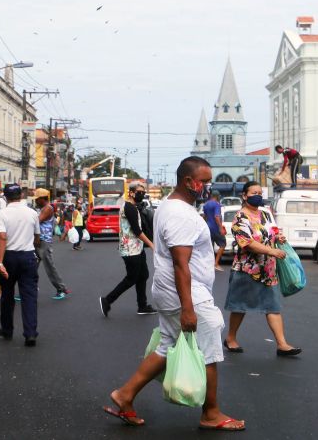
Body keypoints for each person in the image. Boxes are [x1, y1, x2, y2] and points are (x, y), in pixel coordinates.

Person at [103, 156, 245, 431]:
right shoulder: (180, 214)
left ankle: (125, 395)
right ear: (188, 181)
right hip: (185, 292)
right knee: (210, 349)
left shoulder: (171, 206)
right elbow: (182, 264)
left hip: (169, 290)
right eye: (203, 181)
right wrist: (189, 308)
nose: (207, 186)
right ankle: (211, 413)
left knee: (168, 344)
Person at [223, 181, 300, 356]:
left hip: (268, 270)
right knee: (239, 306)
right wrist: (271, 250)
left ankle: (282, 344)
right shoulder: (240, 217)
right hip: (247, 269)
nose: (257, 195)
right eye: (253, 192)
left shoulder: (265, 214)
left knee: (273, 306)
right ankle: (231, 338)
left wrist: (279, 238)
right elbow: (246, 243)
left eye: (260, 192)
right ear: (244, 195)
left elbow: (272, 232)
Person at [100, 182, 156, 317]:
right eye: (139, 192)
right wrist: (152, 245)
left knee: (143, 275)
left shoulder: (132, 207)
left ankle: (142, 306)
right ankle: (107, 300)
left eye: (143, 193)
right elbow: (137, 231)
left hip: (136, 248)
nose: (141, 195)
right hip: (130, 250)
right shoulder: (129, 208)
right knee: (131, 278)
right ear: (131, 192)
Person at [0, 183, 41, 346]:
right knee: (29, 295)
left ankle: (7, 329)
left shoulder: (2, 214)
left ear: (5, 197)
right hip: (28, 256)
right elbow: (37, 238)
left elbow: (1, 237)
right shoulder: (32, 213)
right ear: (21, 195)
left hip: (9, 257)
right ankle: (30, 334)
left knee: (7, 295)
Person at [33, 189, 69, 300]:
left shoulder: (48, 209)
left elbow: (36, 222)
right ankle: (30, 289)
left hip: (44, 241)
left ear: (43, 199)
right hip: (38, 241)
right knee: (31, 267)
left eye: (37, 199)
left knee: (49, 267)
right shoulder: (43, 208)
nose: (35, 202)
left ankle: (61, 289)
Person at [202, 191, 227, 271]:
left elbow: (205, 217)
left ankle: (207, 265)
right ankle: (215, 264)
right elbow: (217, 217)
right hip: (215, 228)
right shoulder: (217, 204)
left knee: (210, 247)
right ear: (217, 196)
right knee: (223, 244)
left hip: (208, 227)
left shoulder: (206, 204)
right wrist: (221, 228)